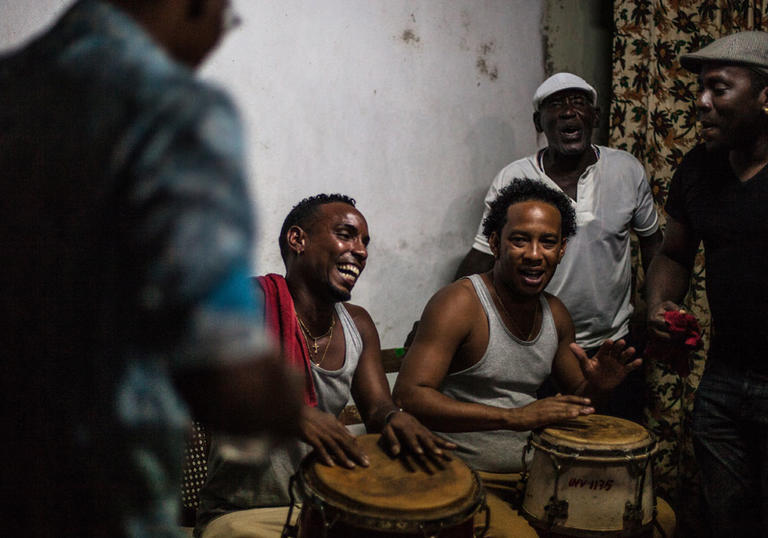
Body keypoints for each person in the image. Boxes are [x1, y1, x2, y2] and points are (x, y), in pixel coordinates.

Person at [0, 1, 303, 537]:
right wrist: (284, 401)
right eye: (223, 20)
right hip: (96, 501)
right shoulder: (173, 109)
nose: (216, 40)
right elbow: (229, 381)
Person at [393, 179, 646, 537]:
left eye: (548, 241)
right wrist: (514, 418)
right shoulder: (460, 303)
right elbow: (409, 395)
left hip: (534, 479)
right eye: (519, 239)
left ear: (561, 250)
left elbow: (580, 401)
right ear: (496, 243)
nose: (534, 254)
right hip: (456, 478)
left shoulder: (556, 315)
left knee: (647, 522)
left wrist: (599, 386)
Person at [196, 194, 453, 538]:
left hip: (325, 508)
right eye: (346, 234)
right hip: (243, 512)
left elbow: (377, 406)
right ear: (298, 240)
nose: (361, 251)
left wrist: (395, 418)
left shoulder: (358, 324)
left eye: (365, 242)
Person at [455, 73, 662, 422]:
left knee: (615, 449)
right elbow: (482, 255)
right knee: (544, 450)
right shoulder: (514, 178)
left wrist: (654, 309)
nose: (569, 112)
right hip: (536, 344)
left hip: (612, 344)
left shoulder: (626, 170)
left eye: (578, 102)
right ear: (539, 122)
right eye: (556, 104)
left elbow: (655, 247)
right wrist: (441, 314)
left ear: (594, 116)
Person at [645, 31, 768, 538]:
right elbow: (673, 251)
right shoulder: (698, 168)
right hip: (722, 382)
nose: (701, 103)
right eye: (700, 88)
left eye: (718, 88)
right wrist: (659, 303)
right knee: (727, 520)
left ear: (765, 95)